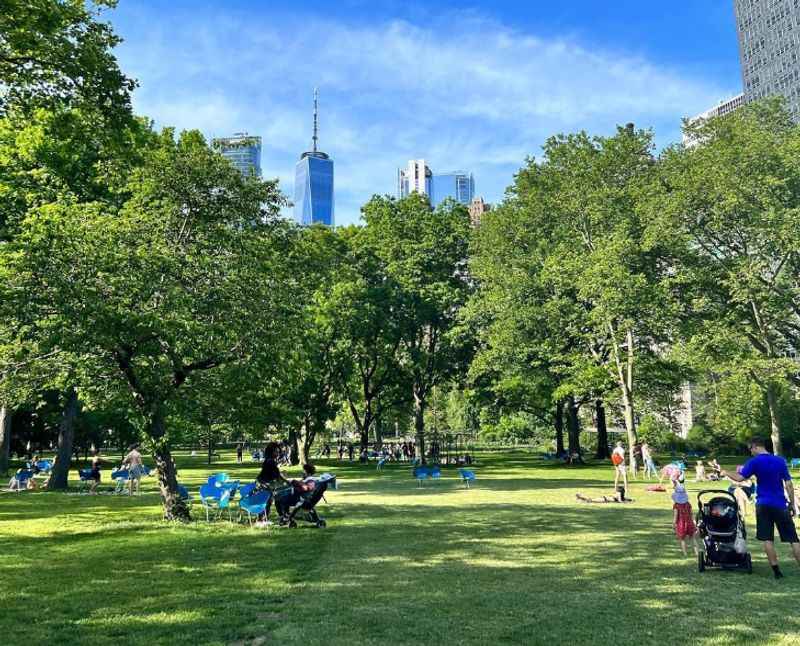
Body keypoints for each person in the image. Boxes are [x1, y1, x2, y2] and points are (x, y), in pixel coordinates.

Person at [723, 437, 800, 579]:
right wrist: (791, 503)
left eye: (750, 449)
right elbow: (788, 484)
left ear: (755, 446)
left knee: (768, 539)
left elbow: (740, 478)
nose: (750, 452)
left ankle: (776, 571)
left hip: (763, 504)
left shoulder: (754, 462)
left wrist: (725, 472)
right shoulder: (780, 461)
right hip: (780, 504)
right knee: (793, 539)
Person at [672, 483, 698, 557]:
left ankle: (685, 554)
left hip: (681, 524)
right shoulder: (688, 504)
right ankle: (696, 553)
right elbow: (691, 514)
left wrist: (673, 524)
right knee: (693, 538)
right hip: (689, 523)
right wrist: (694, 522)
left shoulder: (676, 506)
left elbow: (675, 516)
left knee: (682, 540)